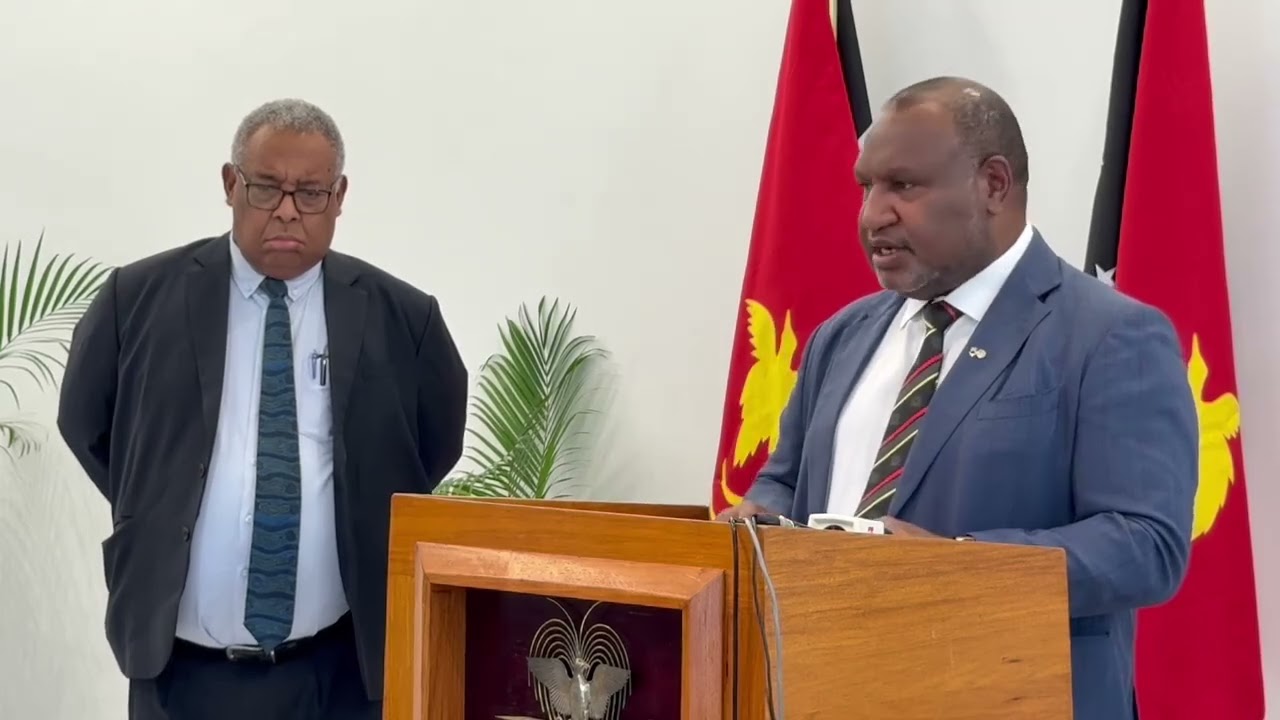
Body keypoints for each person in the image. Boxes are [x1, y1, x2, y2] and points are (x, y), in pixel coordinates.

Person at [717, 76, 1197, 720]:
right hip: (825, 688)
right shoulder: (843, 334)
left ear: (993, 184)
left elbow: (1146, 545)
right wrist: (757, 520)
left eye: (904, 186)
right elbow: (784, 481)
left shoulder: (1110, 335)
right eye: (867, 186)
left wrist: (957, 569)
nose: (872, 214)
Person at [57, 98, 469, 720]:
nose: (286, 209)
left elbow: (434, 444)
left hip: (338, 674)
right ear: (230, 185)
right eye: (266, 187)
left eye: (310, 193)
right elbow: (86, 424)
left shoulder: (403, 318)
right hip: (179, 671)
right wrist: (164, 502)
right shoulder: (136, 299)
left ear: (339, 197)